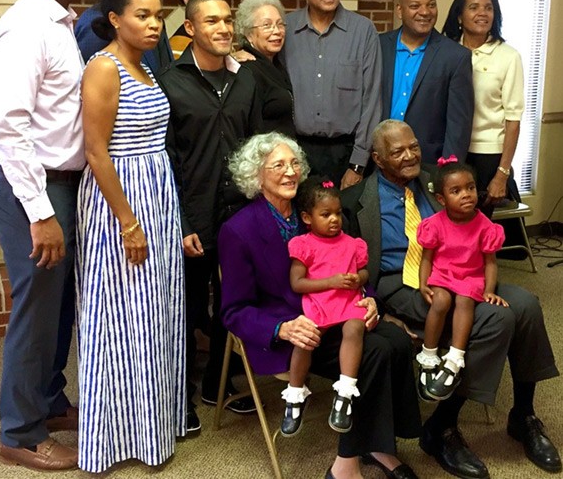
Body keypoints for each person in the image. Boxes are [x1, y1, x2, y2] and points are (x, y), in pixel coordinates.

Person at [342, 119, 561, 478]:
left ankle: (523, 415)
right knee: (497, 318)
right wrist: (380, 312)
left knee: (526, 304)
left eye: (413, 145)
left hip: (463, 273)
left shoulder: (439, 180)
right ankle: (441, 427)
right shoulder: (355, 201)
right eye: (398, 151)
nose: (411, 155)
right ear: (378, 160)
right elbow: (351, 265)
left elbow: (476, 227)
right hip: (405, 283)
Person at [219, 132, 422, 479]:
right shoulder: (238, 230)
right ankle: (346, 463)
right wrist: (281, 328)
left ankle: (379, 443)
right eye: (278, 165)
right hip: (294, 330)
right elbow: (233, 311)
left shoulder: (313, 211)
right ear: (256, 175)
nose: (290, 172)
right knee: (374, 352)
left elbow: (348, 264)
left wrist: (369, 298)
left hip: (338, 310)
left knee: (399, 341)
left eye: (295, 163)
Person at [0, 0, 90, 470]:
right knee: (35, 310)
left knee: (58, 308)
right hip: (34, 189)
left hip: (61, 185)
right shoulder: (25, 27)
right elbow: (10, 128)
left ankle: (47, 401)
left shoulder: (59, 23)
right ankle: (19, 434)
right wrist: (41, 212)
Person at [75, 0, 186, 472]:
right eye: (141, 15)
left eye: (158, 16)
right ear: (115, 19)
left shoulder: (146, 68)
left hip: (156, 196)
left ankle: (152, 427)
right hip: (120, 201)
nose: (153, 24)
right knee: (119, 320)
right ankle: (113, 437)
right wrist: (128, 222)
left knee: (152, 314)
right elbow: (96, 152)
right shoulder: (104, 68)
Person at [159, 0, 263, 433]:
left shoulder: (248, 80)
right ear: (190, 29)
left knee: (232, 301)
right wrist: (181, 223)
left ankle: (216, 385)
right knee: (183, 308)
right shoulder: (169, 80)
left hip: (238, 216)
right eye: (211, 21)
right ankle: (179, 395)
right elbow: (164, 159)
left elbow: (258, 146)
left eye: (227, 20)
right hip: (193, 215)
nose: (223, 28)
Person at [280, 0, 382, 188]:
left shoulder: (363, 31)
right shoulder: (285, 29)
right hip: (296, 153)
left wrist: (357, 164)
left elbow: (372, 102)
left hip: (346, 155)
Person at [415, 157, 507, 402]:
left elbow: (490, 263)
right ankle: (429, 355)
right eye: (456, 191)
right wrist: (424, 283)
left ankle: (455, 358)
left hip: (471, 276)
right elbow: (426, 259)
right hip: (443, 274)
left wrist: (489, 290)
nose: (466, 195)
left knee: (465, 300)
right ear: (442, 199)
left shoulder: (485, 226)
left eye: (470, 188)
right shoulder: (434, 224)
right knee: (441, 301)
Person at [283, 177, 368, 437]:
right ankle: (295, 395)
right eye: (326, 214)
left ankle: (345, 392)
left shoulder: (353, 244)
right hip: (319, 302)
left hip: (347, 301)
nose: (334, 219)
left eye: (338, 213)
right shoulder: (304, 245)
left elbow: (364, 273)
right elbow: (297, 283)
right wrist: (331, 281)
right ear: (308, 218)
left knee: (356, 327)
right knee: (305, 339)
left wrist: (358, 279)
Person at [441, 0, 524, 216]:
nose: (482, 13)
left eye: (489, 8)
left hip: (487, 156)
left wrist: (502, 173)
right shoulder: (446, 52)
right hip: (449, 149)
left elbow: (513, 120)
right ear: (459, 15)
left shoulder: (508, 57)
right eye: (474, 7)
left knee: (475, 230)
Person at [380, 0, 474, 164]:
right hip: (379, 159)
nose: (425, 12)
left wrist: (447, 171)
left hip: (427, 163)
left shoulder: (455, 57)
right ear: (399, 10)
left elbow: (459, 127)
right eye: (415, 6)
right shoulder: (379, 46)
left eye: (431, 5)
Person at [234, 0, 296, 136]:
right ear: (249, 34)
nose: (277, 31)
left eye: (280, 24)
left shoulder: (277, 64)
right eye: (267, 25)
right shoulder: (247, 70)